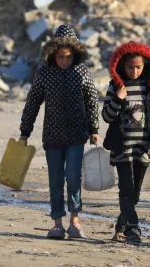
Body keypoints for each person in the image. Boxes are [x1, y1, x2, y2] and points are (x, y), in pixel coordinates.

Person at [19, 24, 100, 240]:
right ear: (52, 54)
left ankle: (75, 222)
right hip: (52, 136)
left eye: (68, 57)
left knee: (73, 177)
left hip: (76, 134)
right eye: (60, 57)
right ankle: (57, 223)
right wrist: (25, 131)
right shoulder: (44, 72)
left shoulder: (81, 71)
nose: (64, 61)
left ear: (75, 54)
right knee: (55, 180)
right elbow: (33, 102)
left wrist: (94, 129)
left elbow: (92, 101)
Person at [102, 41, 150, 244]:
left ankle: (120, 228)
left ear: (146, 66)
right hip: (122, 148)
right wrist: (118, 99)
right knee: (126, 190)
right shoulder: (116, 87)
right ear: (121, 66)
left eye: (138, 67)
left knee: (135, 193)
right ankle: (133, 230)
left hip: (144, 148)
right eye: (130, 67)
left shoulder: (149, 88)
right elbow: (106, 116)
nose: (134, 71)